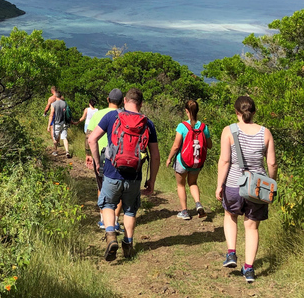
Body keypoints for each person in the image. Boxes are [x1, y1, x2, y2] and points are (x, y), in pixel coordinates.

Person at [89, 88, 160, 261]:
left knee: (107, 204)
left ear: (125, 101)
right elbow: (155, 155)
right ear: (141, 104)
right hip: (134, 176)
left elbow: (92, 139)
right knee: (130, 209)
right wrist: (151, 180)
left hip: (112, 172)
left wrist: (98, 163)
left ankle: (111, 236)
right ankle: (128, 243)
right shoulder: (147, 123)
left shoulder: (112, 116)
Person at [216, 96, 277, 283]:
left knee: (230, 216)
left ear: (237, 112)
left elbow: (225, 161)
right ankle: (249, 269)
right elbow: (272, 162)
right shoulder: (265, 133)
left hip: (234, 183)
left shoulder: (228, 131)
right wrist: (271, 184)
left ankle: (231, 254)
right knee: (251, 226)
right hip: (257, 187)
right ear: (254, 112)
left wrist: (219, 185)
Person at [84, 90, 124, 231]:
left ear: (108, 99)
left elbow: (89, 136)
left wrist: (88, 154)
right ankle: (116, 220)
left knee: (101, 187)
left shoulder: (98, 114)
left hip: (100, 156)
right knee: (118, 190)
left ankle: (103, 220)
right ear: (122, 101)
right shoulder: (123, 115)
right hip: (119, 156)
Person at [165, 100, 212, 220]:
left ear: (186, 111)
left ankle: (184, 212)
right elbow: (209, 145)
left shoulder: (182, 126)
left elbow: (176, 146)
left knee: (181, 185)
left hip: (182, 161)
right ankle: (198, 203)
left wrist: (169, 158)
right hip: (196, 162)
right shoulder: (203, 127)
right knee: (193, 183)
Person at [49, 91, 71, 158]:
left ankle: (55, 151)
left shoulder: (53, 104)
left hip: (57, 123)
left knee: (55, 138)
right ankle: (67, 151)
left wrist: (49, 124)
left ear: (55, 96)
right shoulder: (65, 103)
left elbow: (51, 114)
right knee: (64, 138)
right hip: (64, 123)